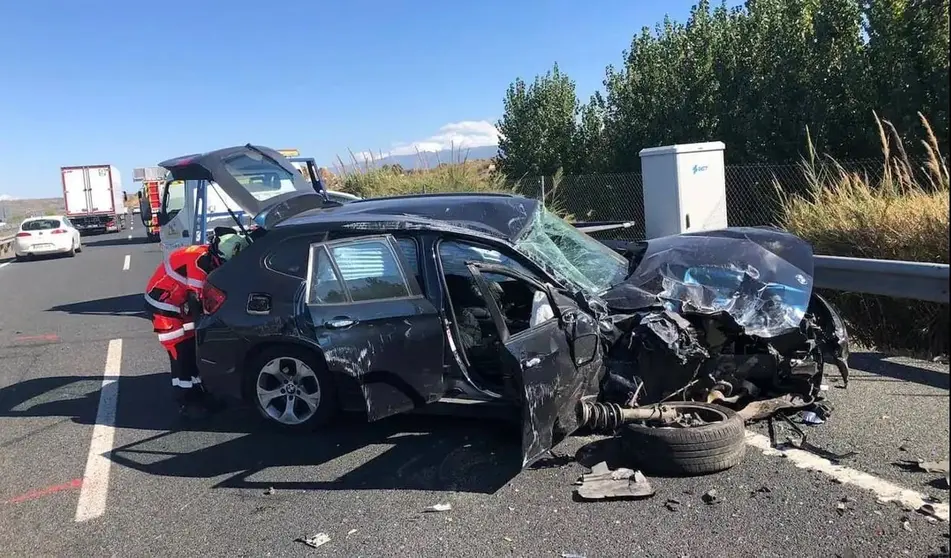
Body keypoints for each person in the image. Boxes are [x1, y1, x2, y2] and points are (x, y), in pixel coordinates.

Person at [143, 228, 250, 419]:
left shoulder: (209, 253)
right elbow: (195, 300)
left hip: (179, 304)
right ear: (218, 258)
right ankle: (185, 401)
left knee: (193, 350)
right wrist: (208, 326)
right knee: (180, 353)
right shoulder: (199, 263)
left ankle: (199, 393)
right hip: (164, 305)